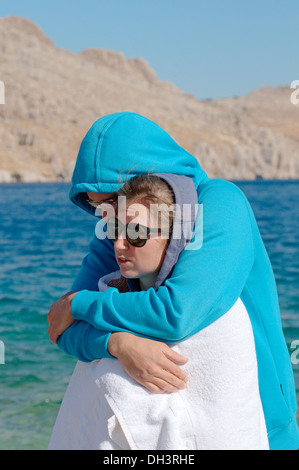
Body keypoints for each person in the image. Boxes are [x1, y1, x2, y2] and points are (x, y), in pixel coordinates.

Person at [47, 112, 299, 450]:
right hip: (179, 418)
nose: (105, 217)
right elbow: (62, 329)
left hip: (255, 411)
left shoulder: (221, 203)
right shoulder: (117, 230)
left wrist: (78, 304)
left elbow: (176, 312)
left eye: (108, 201)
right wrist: (116, 344)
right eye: (96, 209)